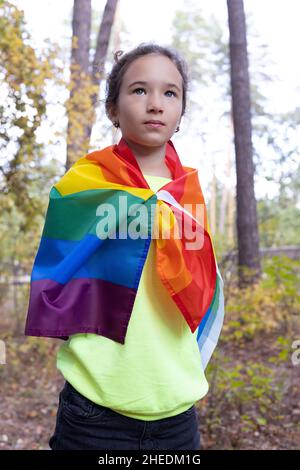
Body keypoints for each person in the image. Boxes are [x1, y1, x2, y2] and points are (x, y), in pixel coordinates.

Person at [24, 42, 225, 450]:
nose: (155, 104)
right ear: (113, 109)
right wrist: (136, 213)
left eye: (170, 93)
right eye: (139, 90)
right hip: (95, 410)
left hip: (177, 410)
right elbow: (62, 267)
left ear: (181, 112)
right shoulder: (85, 184)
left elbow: (198, 283)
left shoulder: (188, 192)